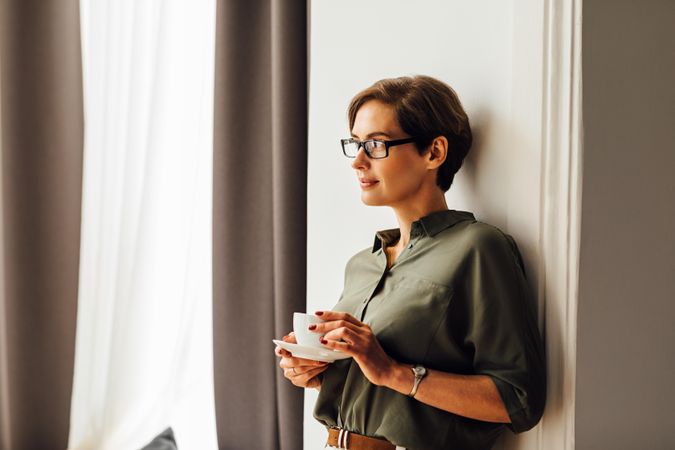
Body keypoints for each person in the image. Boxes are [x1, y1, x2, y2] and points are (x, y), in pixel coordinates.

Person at [274, 75, 546, 450]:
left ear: (434, 152)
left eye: (375, 144)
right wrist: (316, 372)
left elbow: (519, 399)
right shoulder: (361, 264)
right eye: (355, 144)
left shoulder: (480, 248)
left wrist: (394, 373)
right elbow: (375, 384)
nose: (357, 161)